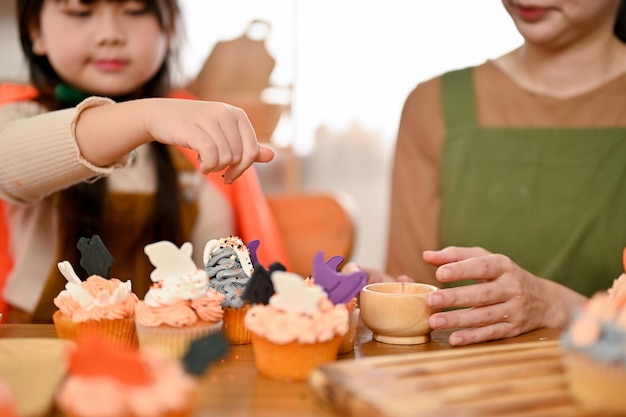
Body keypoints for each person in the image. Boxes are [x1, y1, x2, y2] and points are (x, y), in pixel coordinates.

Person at [346, 0, 626, 346]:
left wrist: (557, 306)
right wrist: (391, 298)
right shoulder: (431, 106)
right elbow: (419, 288)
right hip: (462, 390)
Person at [0, 0, 288, 323]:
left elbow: (218, 276)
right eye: (80, 12)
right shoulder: (17, 117)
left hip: (169, 351)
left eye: (134, 10)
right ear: (35, 32)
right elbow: (8, 167)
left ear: (169, 27)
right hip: (38, 349)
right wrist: (147, 116)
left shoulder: (193, 143)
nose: (110, 35)